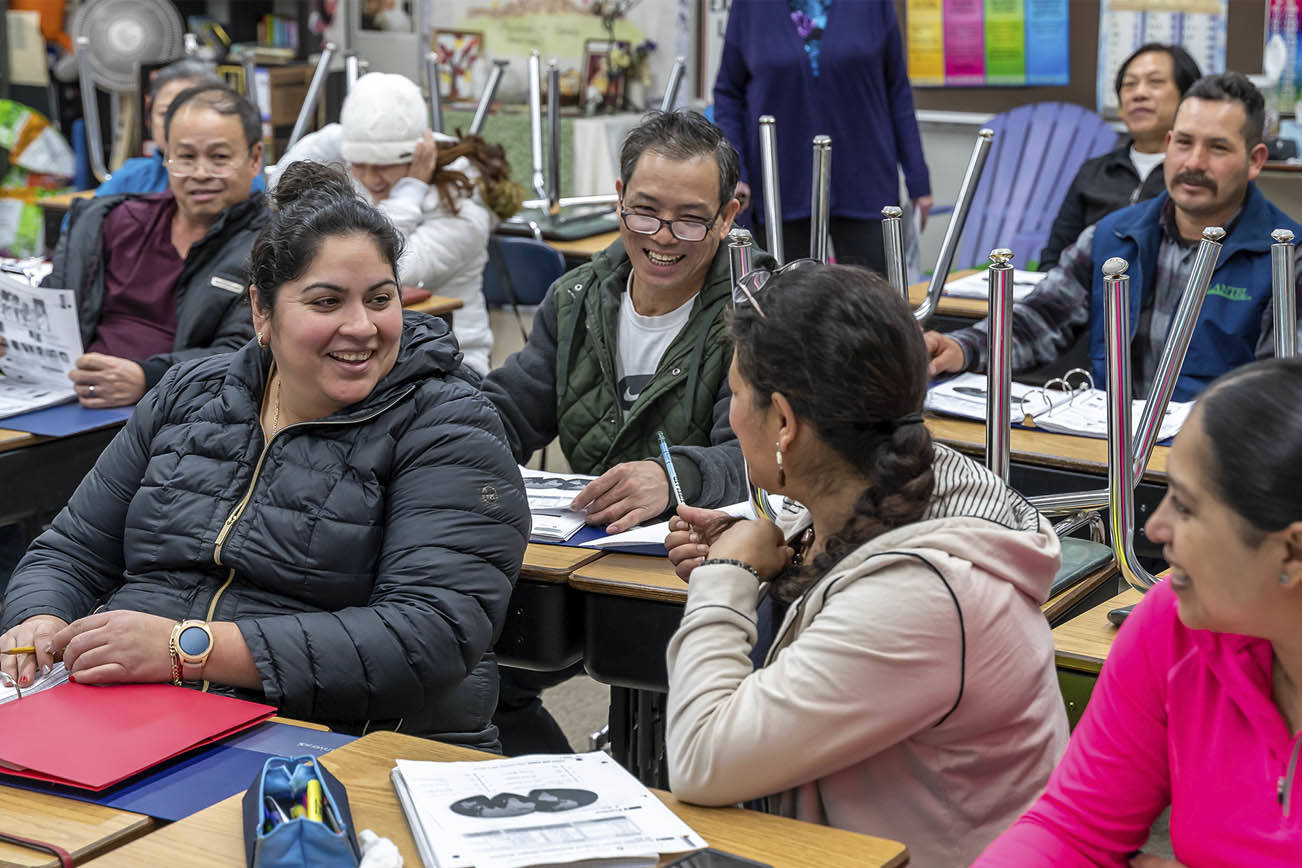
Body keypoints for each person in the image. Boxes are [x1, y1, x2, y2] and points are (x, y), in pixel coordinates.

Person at [0, 161, 530, 747]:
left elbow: (424, 636)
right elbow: (71, 550)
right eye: (326, 302)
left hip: (338, 738)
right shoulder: (190, 394)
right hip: (141, 712)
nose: (361, 326)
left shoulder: (448, 424)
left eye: (380, 299)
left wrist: (186, 647)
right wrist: (38, 618)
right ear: (262, 313)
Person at [662, 263, 1068, 867]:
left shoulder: (922, 596)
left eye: (737, 396)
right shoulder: (923, 489)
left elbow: (699, 759)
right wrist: (780, 552)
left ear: (783, 422)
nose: (733, 418)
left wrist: (729, 577)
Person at [482, 109, 762, 755]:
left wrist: (671, 478)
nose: (663, 236)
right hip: (587, 570)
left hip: (703, 576)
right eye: (644, 211)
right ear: (617, 200)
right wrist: (441, 437)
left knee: (677, 737)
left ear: (728, 216)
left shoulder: (758, 311)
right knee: (472, 678)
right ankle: (579, 802)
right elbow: (513, 406)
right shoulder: (577, 297)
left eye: (691, 218)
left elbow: (755, 458)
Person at [974, 356, 1302, 866]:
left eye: (1187, 507)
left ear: (1292, 552)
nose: (1154, 528)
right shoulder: (1175, 623)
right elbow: (1072, 830)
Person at [927, 73, 1302, 402]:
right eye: (1184, 143)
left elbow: (1277, 394)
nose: (1193, 163)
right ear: (1169, 143)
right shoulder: (1115, 234)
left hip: (1218, 467)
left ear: (1255, 160)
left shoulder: (1288, 259)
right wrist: (963, 348)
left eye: (1217, 147)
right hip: (1110, 449)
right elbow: (1043, 316)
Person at [272, 72, 522, 376]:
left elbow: (381, 268)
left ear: (419, 154)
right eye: (360, 162)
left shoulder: (464, 209)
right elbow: (279, 185)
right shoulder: (365, 174)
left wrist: (409, 190)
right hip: (375, 352)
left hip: (452, 359)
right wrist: (343, 134)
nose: (372, 177)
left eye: (385, 164)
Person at [44, 84, 269, 408]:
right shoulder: (114, 222)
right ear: (166, 158)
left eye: (219, 158)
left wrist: (147, 378)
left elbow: (246, 353)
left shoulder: (272, 248)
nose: (201, 173)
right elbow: (55, 301)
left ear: (254, 158)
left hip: (180, 416)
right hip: (68, 400)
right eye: (186, 157)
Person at [712, 0, 931, 272]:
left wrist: (918, 179)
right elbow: (727, 94)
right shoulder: (751, 7)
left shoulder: (873, 5)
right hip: (781, 186)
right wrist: (737, 170)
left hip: (865, 181)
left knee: (869, 305)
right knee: (788, 304)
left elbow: (897, 90)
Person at [1038, 43, 1201, 270]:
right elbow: (1053, 259)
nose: (1139, 94)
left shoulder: (1196, 175)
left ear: (1187, 99)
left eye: (1155, 82)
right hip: (1083, 297)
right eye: (1129, 85)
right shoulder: (1093, 172)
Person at [91, 59, 266, 199]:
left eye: (192, 111)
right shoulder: (129, 179)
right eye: (165, 113)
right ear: (148, 120)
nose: (175, 124)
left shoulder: (244, 184)